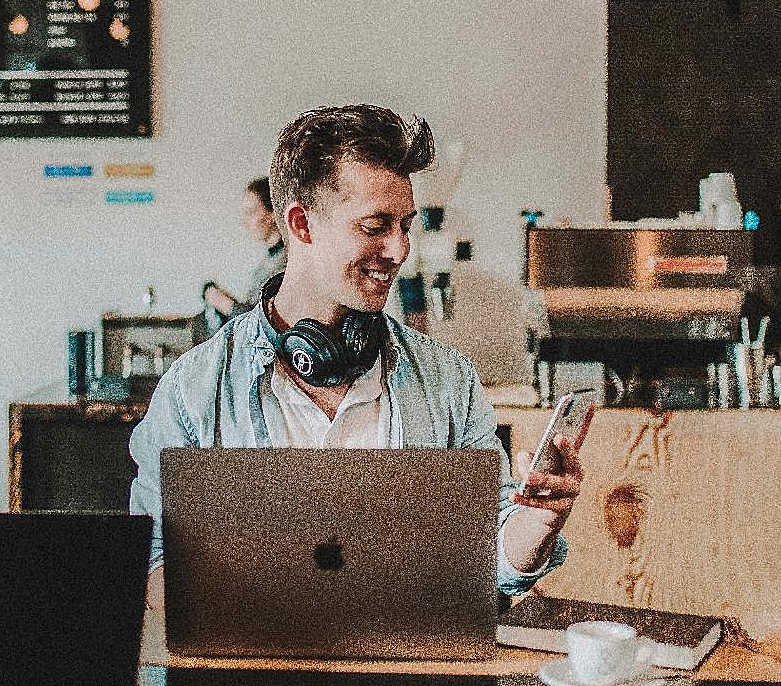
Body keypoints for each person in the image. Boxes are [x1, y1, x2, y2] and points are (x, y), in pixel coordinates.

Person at [129, 104, 584, 610]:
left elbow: (490, 557)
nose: (399, 250)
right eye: (375, 226)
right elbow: (151, 563)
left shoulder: (448, 381)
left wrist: (537, 522)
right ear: (301, 225)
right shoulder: (193, 390)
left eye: (406, 225)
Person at [204, 178, 288, 320]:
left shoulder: (285, 263)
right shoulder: (271, 260)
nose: (244, 221)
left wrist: (226, 304)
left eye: (251, 212)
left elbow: (264, 325)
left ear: (272, 214)